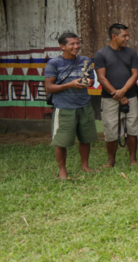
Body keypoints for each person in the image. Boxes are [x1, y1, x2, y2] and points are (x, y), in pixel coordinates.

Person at [45, 32, 97, 180]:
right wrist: (70, 85)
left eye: (77, 43)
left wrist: (88, 82)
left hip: (84, 105)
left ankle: (85, 166)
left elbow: (92, 80)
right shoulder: (53, 63)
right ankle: (62, 171)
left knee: (85, 138)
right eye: (72, 44)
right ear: (62, 46)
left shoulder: (85, 61)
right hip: (64, 107)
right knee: (62, 141)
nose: (76, 46)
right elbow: (48, 87)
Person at [94, 23, 138, 168]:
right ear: (114, 36)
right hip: (110, 99)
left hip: (131, 97)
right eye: (124, 36)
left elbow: (135, 74)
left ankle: (133, 160)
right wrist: (119, 96)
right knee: (111, 131)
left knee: (132, 129)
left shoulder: (131, 53)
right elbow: (101, 78)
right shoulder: (101, 54)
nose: (127, 39)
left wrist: (124, 91)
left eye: (127, 35)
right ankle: (111, 160)